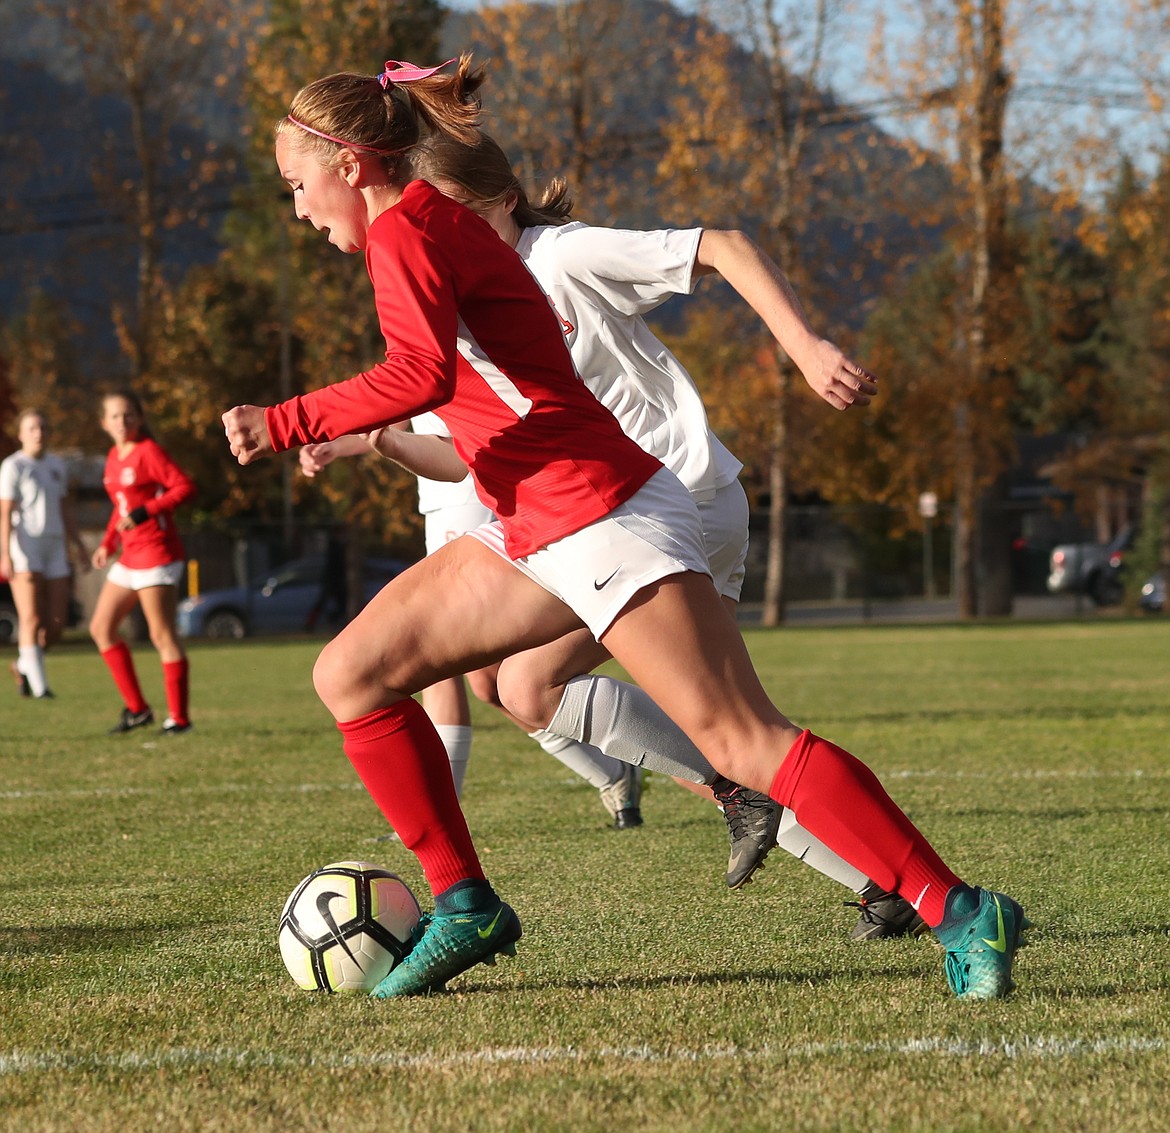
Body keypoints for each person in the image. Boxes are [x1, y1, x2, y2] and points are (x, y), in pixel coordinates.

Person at [223, 54, 1027, 1001]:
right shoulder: (424, 222)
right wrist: (379, 443)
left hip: (600, 510)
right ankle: (464, 904)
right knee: (351, 673)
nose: (299, 206)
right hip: (536, 516)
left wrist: (284, 419)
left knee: (742, 739)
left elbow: (418, 376)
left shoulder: (410, 230)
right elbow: (447, 393)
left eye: (297, 183)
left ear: (350, 164)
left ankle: (963, 909)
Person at [409, 131, 926, 932]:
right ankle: (878, 878)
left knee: (556, 692)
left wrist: (805, 347)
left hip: (671, 502)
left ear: (504, 201)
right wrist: (366, 437)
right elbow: (465, 452)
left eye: (457, 213)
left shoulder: (561, 257)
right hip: (626, 515)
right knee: (540, 689)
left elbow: (722, 245)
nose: (441, 232)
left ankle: (897, 876)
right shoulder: (472, 296)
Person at [90, 390, 197, 735]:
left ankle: (179, 719)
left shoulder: (148, 452)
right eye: (116, 417)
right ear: (104, 423)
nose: (123, 422)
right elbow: (121, 507)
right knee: (101, 629)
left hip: (158, 553)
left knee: (161, 634)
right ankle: (137, 710)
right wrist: (108, 542)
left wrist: (146, 512)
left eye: (129, 415)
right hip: (130, 555)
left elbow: (183, 487)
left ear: (140, 418)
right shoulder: (112, 456)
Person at [0, 409, 89, 699]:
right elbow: (5, 514)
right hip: (26, 546)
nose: (39, 433)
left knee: (56, 625)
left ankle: (24, 665)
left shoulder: (56, 465)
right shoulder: (13, 466)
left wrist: (79, 545)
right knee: (31, 619)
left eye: (43, 427)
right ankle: (40, 688)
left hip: (54, 547)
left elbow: (65, 509)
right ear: (21, 434)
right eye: (32, 428)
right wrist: (5, 555)